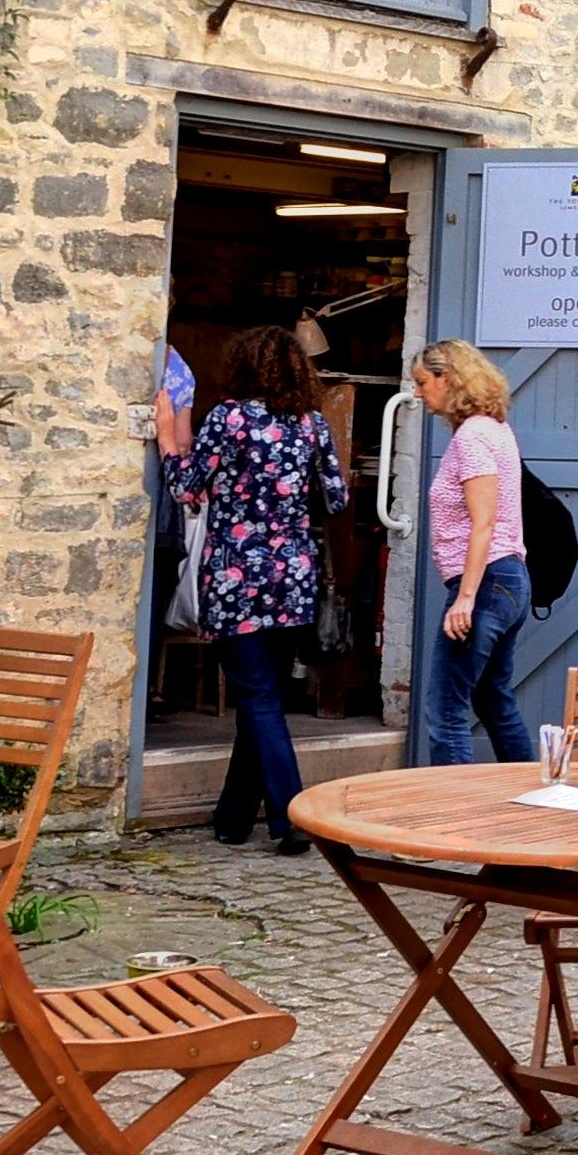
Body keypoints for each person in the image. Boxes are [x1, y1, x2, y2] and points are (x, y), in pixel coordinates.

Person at [161, 324, 345, 854]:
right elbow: (334, 497)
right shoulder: (312, 425)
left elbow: (187, 487)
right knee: (262, 698)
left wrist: (170, 439)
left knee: (258, 697)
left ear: (243, 368)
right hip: (292, 579)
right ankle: (233, 817)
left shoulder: (228, 418)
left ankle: (292, 816)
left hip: (236, 579)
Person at [411, 338, 534, 768]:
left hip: (485, 582)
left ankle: (454, 823)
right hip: (508, 579)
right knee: (494, 700)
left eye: (423, 382)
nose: (418, 393)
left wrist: (465, 597)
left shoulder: (472, 436)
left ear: (448, 378)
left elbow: (484, 522)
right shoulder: (495, 429)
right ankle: (534, 798)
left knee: (445, 709)